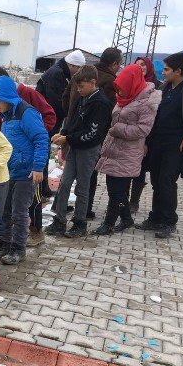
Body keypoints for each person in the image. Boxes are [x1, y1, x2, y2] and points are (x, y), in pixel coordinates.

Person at [135, 53, 183, 238]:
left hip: (176, 145)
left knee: (167, 181)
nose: (164, 72)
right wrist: (147, 142)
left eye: (168, 69)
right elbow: (154, 116)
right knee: (156, 181)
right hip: (158, 143)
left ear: (178, 71)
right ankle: (155, 218)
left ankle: (169, 221)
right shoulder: (164, 88)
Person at [0, 67, 56, 247]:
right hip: (11, 171)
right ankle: (5, 243)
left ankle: (18, 248)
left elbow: (41, 138)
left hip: (27, 172)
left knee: (20, 212)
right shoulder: (6, 116)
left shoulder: (26, 113)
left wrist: (38, 167)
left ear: (6, 96)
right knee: (6, 211)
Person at [45, 65, 113, 238]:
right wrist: (64, 133)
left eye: (81, 86)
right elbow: (72, 121)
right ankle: (59, 220)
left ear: (92, 82)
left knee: (82, 187)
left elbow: (92, 133)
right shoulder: (82, 98)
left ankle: (79, 222)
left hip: (88, 150)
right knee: (64, 183)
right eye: (77, 87)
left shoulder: (101, 104)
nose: (78, 90)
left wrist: (68, 139)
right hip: (75, 147)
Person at [93, 64, 161, 235]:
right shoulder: (125, 98)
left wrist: (118, 129)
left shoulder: (146, 103)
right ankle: (126, 219)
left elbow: (143, 130)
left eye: (122, 88)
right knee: (114, 190)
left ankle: (108, 224)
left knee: (117, 191)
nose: (119, 92)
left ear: (133, 83)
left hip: (128, 152)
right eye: (118, 88)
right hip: (113, 149)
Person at [62, 47, 122, 220]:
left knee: (78, 182)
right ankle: (74, 214)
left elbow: (66, 99)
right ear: (114, 63)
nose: (79, 89)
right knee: (76, 182)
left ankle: (78, 217)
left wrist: (70, 123)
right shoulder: (107, 81)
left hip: (81, 137)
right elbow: (108, 114)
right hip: (81, 138)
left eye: (81, 87)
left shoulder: (82, 76)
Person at [128, 56, 162, 214]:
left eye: (143, 65)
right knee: (126, 166)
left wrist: (147, 141)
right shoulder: (131, 83)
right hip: (129, 132)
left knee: (139, 169)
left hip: (147, 135)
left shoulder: (156, 87)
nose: (140, 67)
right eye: (137, 65)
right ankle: (121, 199)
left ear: (149, 67)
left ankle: (134, 201)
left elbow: (156, 116)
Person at [36, 49, 86, 136]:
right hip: (47, 117)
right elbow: (55, 101)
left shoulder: (60, 71)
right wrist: (68, 113)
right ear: (72, 66)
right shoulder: (57, 74)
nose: (78, 73)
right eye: (79, 69)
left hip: (46, 116)